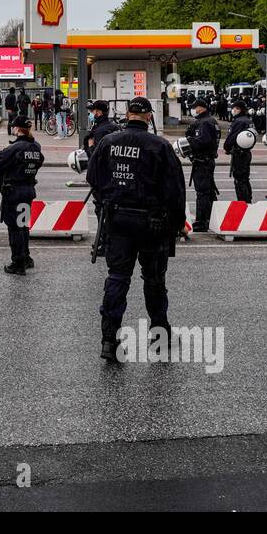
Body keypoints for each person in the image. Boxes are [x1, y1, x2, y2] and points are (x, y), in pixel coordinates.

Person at [87, 97, 187, 363]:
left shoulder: (109, 142)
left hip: (118, 220)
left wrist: (106, 205)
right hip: (152, 224)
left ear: (128, 114)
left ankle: (110, 341)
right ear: (148, 117)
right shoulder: (160, 146)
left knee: (117, 278)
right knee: (154, 280)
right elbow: (175, 191)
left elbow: (93, 178)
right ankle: (160, 334)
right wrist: (177, 224)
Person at [0, 113, 44, 274]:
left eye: (13, 126)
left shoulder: (14, 148)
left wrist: (4, 153)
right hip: (28, 191)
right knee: (23, 226)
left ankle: (18, 262)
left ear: (17, 129)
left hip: (14, 192)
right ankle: (26, 257)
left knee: (14, 228)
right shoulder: (36, 147)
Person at [184, 96, 219, 231]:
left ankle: (201, 222)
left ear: (201, 108)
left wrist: (189, 141)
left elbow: (202, 141)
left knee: (202, 192)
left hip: (202, 161)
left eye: (194, 107)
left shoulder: (204, 123)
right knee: (209, 191)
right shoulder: (211, 121)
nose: (193, 110)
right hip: (208, 160)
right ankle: (212, 218)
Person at [222, 99, 254, 203]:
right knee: (245, 178)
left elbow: (232, 137)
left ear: (240, 109)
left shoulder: (238, 122)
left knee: (239, 180)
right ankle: (248, 199)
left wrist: (226, 147)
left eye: (235, 108)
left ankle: (243, 202)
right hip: (247, 153)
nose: (233, 110)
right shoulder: (249, 120)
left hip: (238, 154)